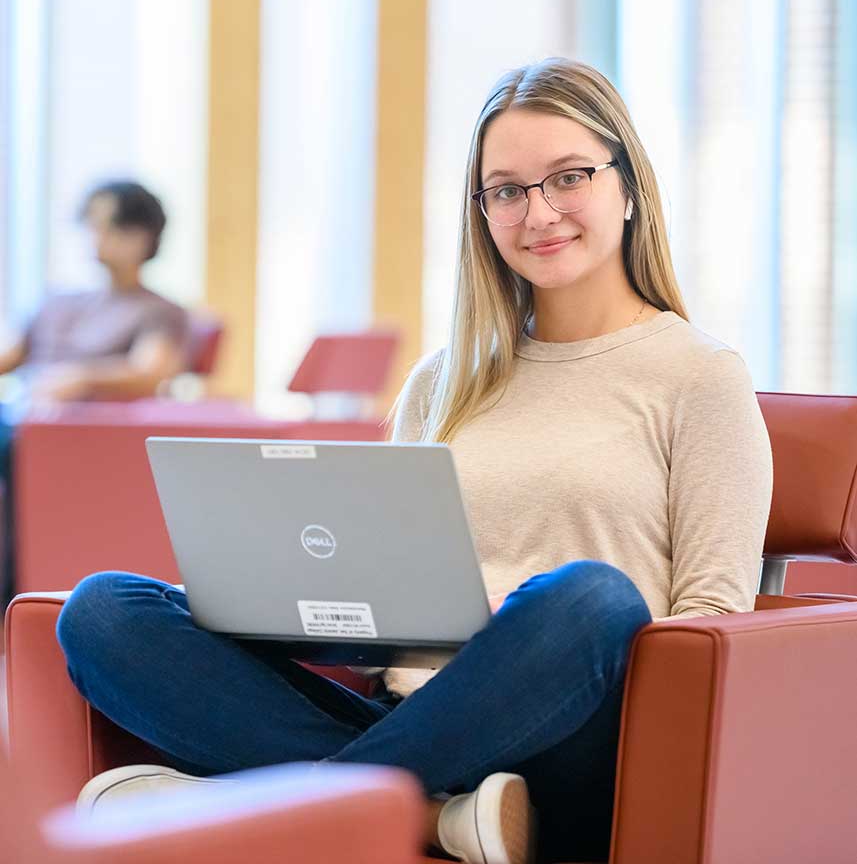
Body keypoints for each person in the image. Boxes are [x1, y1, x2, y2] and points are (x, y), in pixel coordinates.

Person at [55, 62, 773, 864]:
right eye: (504, 190)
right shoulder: (442, 379)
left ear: (628, 183)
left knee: (592, 599)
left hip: (569, 727)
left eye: (567, 177)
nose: (537, 212)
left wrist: (517, 628)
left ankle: (285, 806)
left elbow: (711, 614)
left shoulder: (699, 374)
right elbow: (374, 589)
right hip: (406, 718)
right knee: (103, 611)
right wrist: (297, 606)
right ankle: (433, 816)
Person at [0, 180, 189, 605]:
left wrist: (81, 377)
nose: (94, 236)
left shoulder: (159, 311)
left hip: (76, 437)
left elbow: (149, 372)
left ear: (141, 236)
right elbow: (9, 355)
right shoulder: (58, 301)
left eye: (105, 226)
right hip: (20, 418)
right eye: (91, 225)